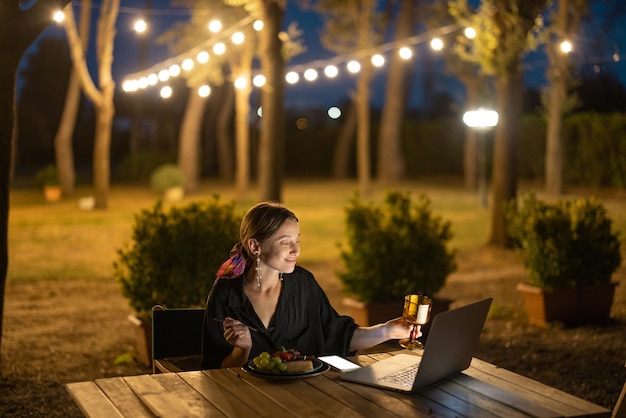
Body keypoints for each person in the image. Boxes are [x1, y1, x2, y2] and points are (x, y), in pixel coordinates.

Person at [200, 201, 415, 369]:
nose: (297, 250)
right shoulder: (226, 295)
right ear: (255, 246)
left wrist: (388, 331)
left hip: (309, 401)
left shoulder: (304, 285)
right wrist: (242, 350)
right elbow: (214, 372)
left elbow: (339, 335)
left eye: (297, 240)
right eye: (286, 242)